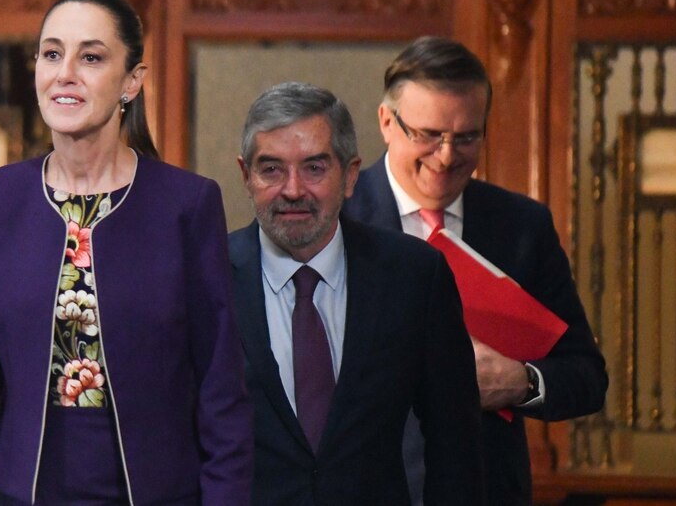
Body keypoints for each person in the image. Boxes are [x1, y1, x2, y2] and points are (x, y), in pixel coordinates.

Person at [0, 0, 253, 505]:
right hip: (17, 493)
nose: (65, 73)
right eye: (52, 54)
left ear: (132, 81)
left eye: (92, 57)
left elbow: (221, 395)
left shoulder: (186, 205)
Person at [343, 36, 608, 505]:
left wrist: (520, 382)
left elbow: (586, 377)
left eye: (466, 137)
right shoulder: (335, 221)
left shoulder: (523, 227)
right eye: (427, 134)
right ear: (387, 122)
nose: (446, 157)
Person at [229, 82, 484, 505]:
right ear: (246, 176)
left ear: (349, 175)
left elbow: (455, 443)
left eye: (314, 168)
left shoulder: (413, 276)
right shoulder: (206, 277)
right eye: (271, 169)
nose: (292, 189)